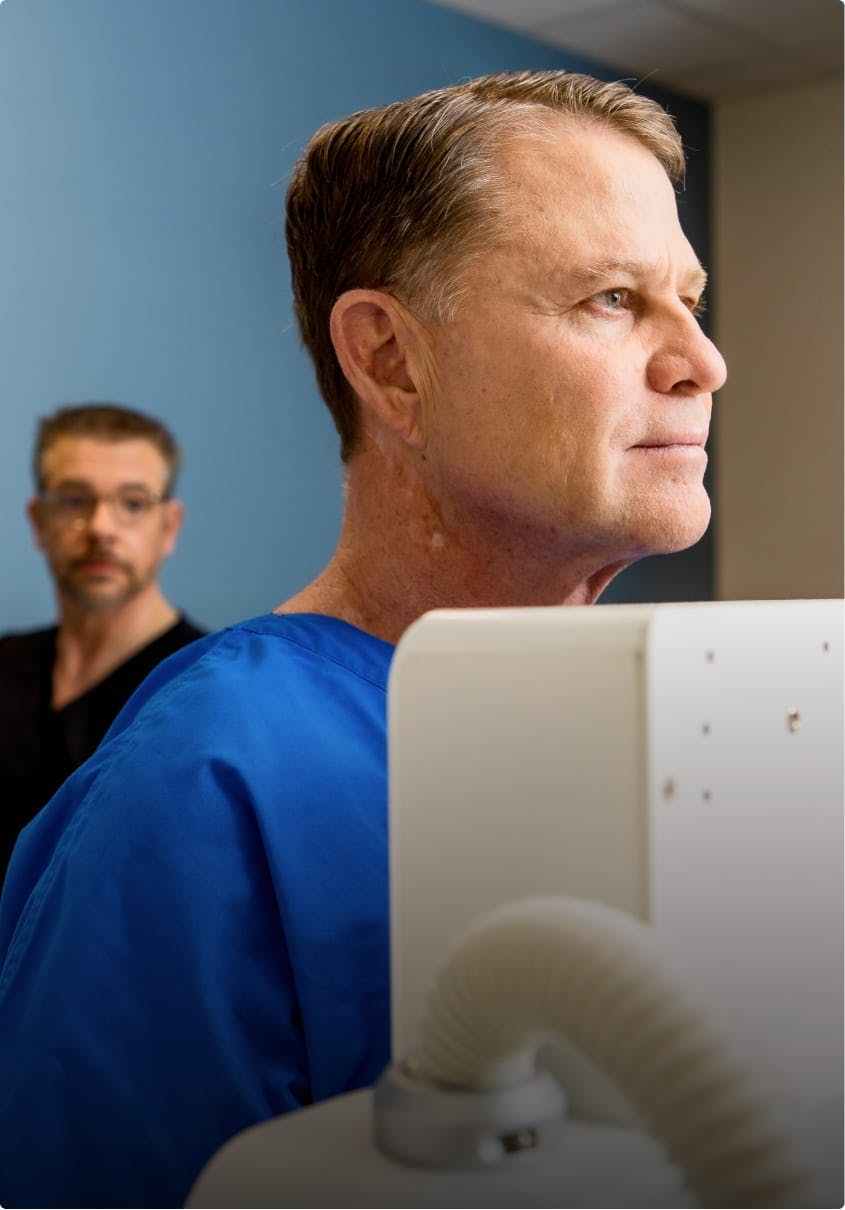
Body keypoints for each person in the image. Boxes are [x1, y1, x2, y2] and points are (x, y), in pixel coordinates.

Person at [0, 71, 726, 1209]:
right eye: (610, 299)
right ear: (392, 362)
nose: (700, 361)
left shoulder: (678, 747)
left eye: (690, 299)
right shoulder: (207, 780)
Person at [0, 403, 204, 880]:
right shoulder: (5, 667)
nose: (101, 529)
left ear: (168, 527)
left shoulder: (200, 689)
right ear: (38, 521)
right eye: (74, 501)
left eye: (132, 504)